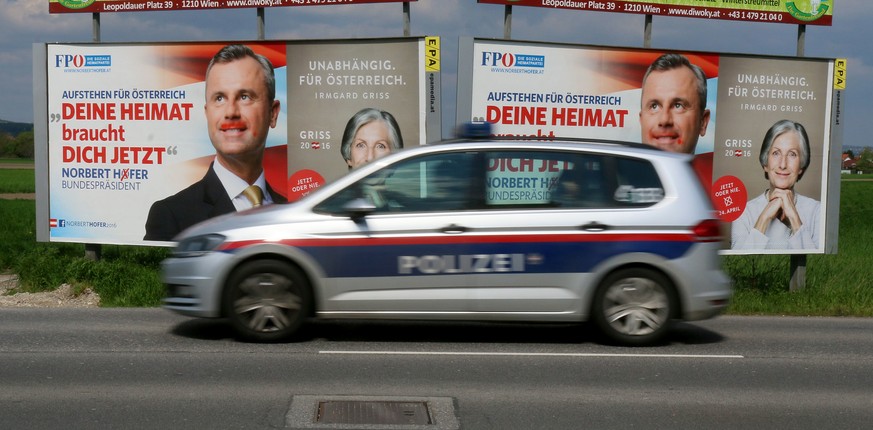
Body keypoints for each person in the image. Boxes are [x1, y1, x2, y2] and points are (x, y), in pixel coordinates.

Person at [144, 44, 286, 241]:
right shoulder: (172, 215)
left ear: (273, 113)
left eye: (245, 97)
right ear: (207, 113)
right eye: (219, 98)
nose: (231, 112)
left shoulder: (292, 214)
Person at [731, 120, 820, 250]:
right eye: (776, 153)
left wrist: (794, 219)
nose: (783, 164)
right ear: (765, 163)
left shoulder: (817, 211)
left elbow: (817, 265)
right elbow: (740, 264)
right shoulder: (743, 213)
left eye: (792, 154)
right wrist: (764, 218)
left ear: (801, 166)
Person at [639, 53, 712, 189]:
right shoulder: (611, 191)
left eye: (678, 105)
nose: (664, 119)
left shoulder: (712, 201)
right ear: (641, 119)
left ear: (703, 122)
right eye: (654, 106)